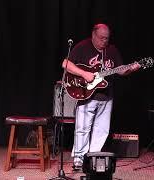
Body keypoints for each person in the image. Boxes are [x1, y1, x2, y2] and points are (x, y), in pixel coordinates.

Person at [61, 23, 141, 169]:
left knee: (102, 129)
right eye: (101, 38)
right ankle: (79, 158)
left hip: (106, 96)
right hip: (86, 94)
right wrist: (84, 73)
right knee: (82, 128)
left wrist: (131, 69)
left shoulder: (112, 50)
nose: (104, 41)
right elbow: (66, 64)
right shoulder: (82, 46)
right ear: (93, 35)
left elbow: (121, 71)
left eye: (107, 38)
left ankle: (92, 158)